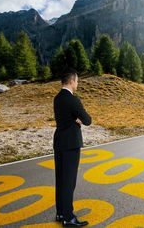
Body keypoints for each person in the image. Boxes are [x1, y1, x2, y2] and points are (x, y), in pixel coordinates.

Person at [53, 67, 91, 227]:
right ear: (71, 81)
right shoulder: (73, 100)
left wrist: (74, 118)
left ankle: (60, 212)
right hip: (71, 144)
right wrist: (79, 120)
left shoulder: (57, 98)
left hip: (59, 141)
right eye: (77, 81)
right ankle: (68, 217)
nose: (77, 84)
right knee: (69, 182)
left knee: (60, 180)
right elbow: (88, 120)